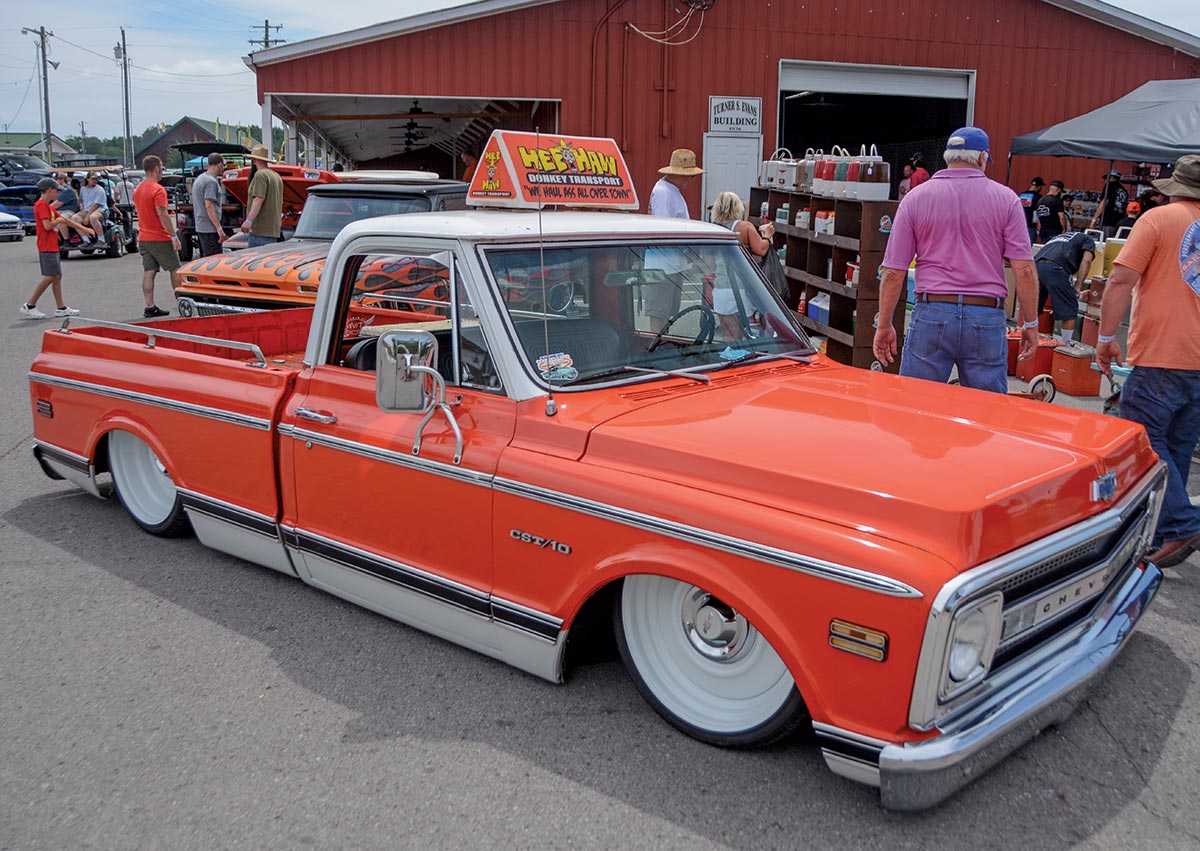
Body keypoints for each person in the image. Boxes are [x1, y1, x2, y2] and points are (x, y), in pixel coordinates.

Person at [873, 126, 1039, 392]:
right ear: (983, 158)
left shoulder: (915, 198)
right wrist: (1029, 323)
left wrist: (884, 324)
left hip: (932, 312)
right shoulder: (1006, 199)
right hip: (985, 314)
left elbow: (893, 271)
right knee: (986, 414)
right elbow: (1025, 270)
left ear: (947, 157)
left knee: (917, 408)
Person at [1096, 154, 1200, 567]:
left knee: (1143, 441)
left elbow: (1121, 279)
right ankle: (1164, 528)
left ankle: (1179, 523)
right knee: (1176, 446)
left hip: (1161, 350)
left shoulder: (1158, 220)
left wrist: (1106, 337)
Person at [644, 148, 704, 332]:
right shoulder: (664, 192)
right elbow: (663, 230)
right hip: (664, 265)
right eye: (688, 175)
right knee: (659, 314)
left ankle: (661, 346)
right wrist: (688, 252)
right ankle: (656, 350)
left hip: (670, 264)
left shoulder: (669, 190)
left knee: (665, 314)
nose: (690, 179)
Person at [20, 177, 91, 319]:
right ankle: (30, 304)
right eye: (56, 191)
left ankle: (61, 307)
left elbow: (66, 220)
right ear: (50, 190)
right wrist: (58, 220)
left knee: (57, 276)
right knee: (51, 276)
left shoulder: (49, 207)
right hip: (46, 245)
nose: (57, 194)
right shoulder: (41, 206)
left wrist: (83, 228)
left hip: (52, 245)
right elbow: (47, 225)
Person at [710, 191, 775, 339]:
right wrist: (767, 236)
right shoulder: (745, 227)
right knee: (742, 334)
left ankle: (729, 359)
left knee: (729, 334)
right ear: (738, 207)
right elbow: (761, 250)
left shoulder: (712, 230)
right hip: (742, 288)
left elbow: (709, 264)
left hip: (721, 288)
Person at [133, 155, 182, 318]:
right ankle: (182, 301)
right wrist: (173, 236)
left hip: (144, 236)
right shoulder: (158, 189)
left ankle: (149, 305)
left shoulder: (138, 189)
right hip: (159, 236)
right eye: (161, 167)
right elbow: (162, 213)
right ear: (156, 169)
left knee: (149, 270)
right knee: (174, 268)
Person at [1034, 231, 1096, 343]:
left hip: (1036, 266)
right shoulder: (1088, 240)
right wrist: (1078, 285)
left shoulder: (1058, 237)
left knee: (1034, 307)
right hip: (1057, 267)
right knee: (1069, 309)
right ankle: (1066, 346)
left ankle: (1026, 337)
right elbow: (1086, 261)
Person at [239, 145, 283, 248]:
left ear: (254, 159)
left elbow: (259, 198)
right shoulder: (275, 176)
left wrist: (248, 221)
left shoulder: (260, 175)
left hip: (260, 230)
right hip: (272, 230)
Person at [192, 153, 226, 257]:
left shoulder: (200, 179)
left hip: (201, 226)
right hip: (210, 228)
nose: (223, 168)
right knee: (214, 261)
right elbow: (209, 205)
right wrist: (219, 228)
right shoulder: (211, 182)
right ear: (219, 164)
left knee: (205, 260)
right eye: (223, 165)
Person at [1091, 170, 1129, 237]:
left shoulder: (1109, 185)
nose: (1105, 180)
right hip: (1119, 222)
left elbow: (1104, 202)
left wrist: (1094, 219)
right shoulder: (1124, 191)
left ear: (1111, 177)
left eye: (1106, 178)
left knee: (1105, 243)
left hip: (1108, 221)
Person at [78, 172, 110, 246]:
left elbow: (96, 204)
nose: (95, 180)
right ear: (88, 179)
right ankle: (85, 239)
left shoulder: (100, 189)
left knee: (93, 217)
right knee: (74, 218)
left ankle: (101, 239)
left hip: (100, 210)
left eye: (96, 179)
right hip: (86, 210)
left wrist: (87, 217)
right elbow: (81, 199)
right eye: (93, 179)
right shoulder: (83, 189)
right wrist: (81, 205)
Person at [51, 173, 81, 241]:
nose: (54, 181)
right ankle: (55, 238)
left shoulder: (67, 190)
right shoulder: (57, 190)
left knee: (61, 220)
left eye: (56, 179)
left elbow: (57, 204)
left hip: (68, 211)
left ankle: (66, 240)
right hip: (59, 210)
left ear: (62, 179)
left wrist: (45, 208)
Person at [1017, 176, 1044, 242]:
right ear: (1039, 187)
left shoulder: (1021, 195)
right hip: (1030, 226)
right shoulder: (1039, 197)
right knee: (1029, 246)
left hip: (1018, 224)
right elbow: (1038, 212)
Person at [113, 171, 136, 239]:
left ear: (121, 178)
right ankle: (129, 231)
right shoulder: (131, 184)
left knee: (122, 218)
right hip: (130, 204)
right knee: (129, 219)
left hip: (122, 204)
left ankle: (125, 232)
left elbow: (116, 193)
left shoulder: (119, 184)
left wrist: (114, 200)